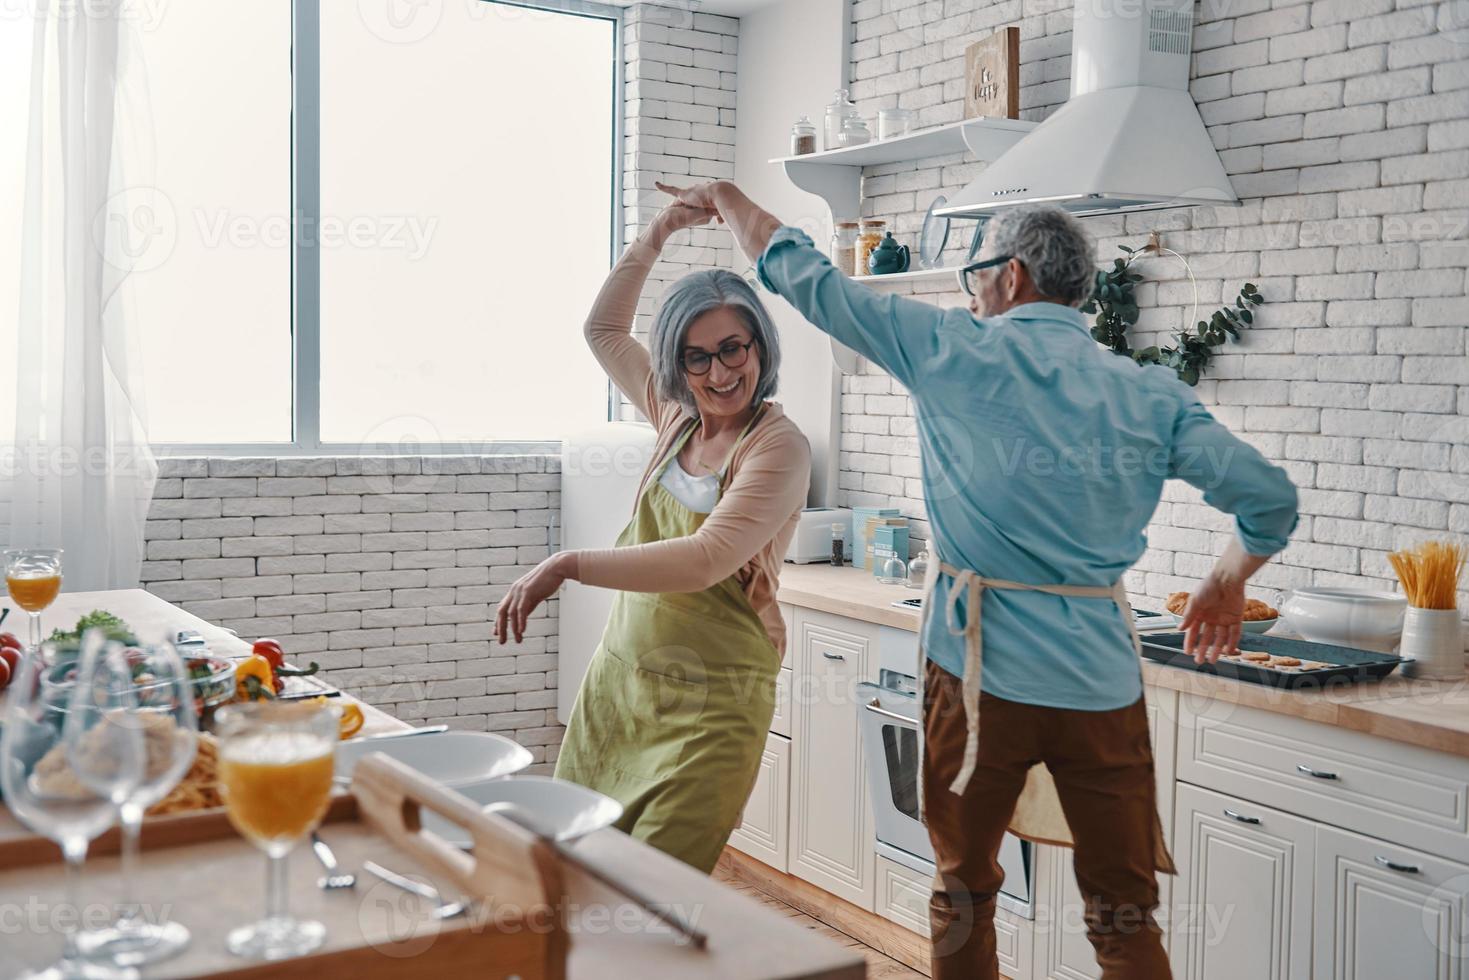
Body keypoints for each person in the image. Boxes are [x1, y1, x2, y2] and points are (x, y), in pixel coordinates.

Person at [657, 180, 1299, 979]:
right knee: (1122, 912)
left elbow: (803, 276)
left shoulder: (947, 348)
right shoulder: (1145, 391)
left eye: (974, 273)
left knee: (963, 890)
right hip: (1098, 685)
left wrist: (726, 198)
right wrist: (1227, 579)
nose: (971, 291)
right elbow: (1269, 503)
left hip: (972, 680)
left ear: (1012, 276)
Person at [492, 198, 810, 874]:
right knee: (573, 875)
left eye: (733, 349)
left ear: (759, 346)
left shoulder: (776, 447)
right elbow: (603, 328)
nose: (719, 375)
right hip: (619, 690)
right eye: (697, 359)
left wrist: (568, 564)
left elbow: (706, 559)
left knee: (653, 892)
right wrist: (659, 232)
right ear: (676, 364)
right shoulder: (676, 417)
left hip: (710, 710)